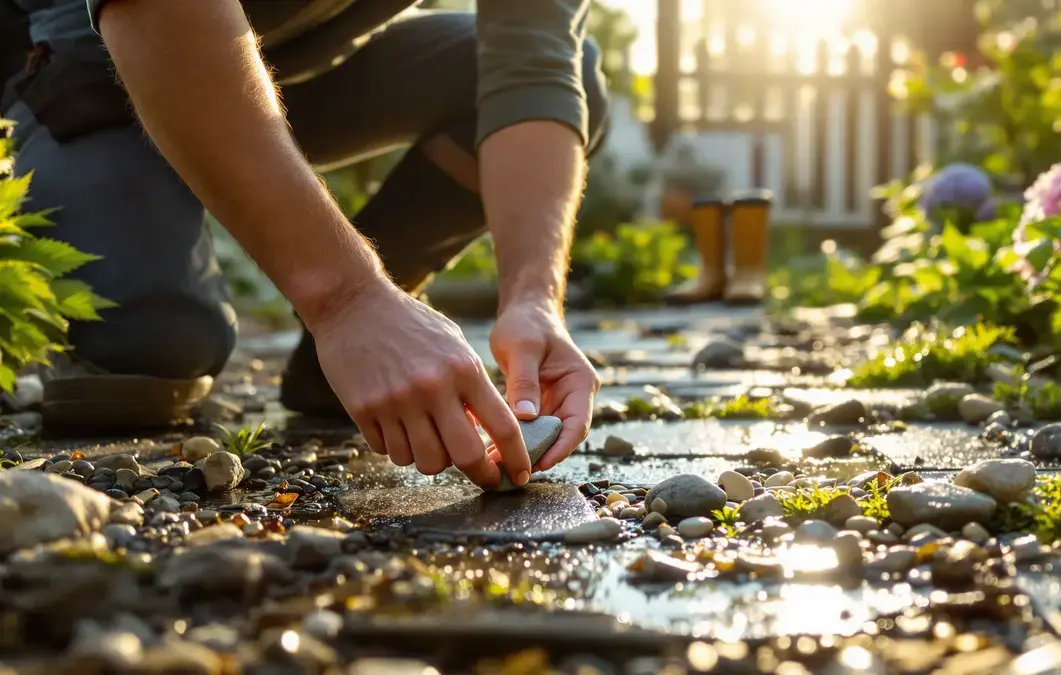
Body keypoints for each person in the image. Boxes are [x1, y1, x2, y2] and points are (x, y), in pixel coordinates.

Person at [1, 0, 611, 489]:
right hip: (92, 65)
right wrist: (346, 298)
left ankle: (358, 357)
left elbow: (536, 68)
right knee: (151, 347)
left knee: (576, 72)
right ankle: (358, 327)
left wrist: (534, 297)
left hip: (294, 72)